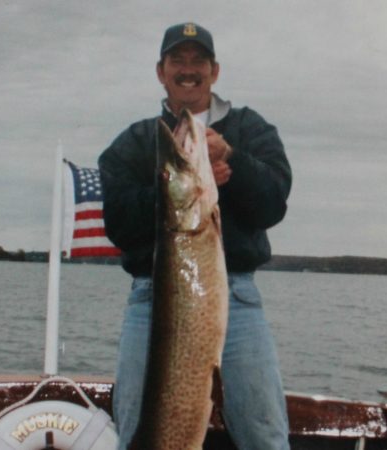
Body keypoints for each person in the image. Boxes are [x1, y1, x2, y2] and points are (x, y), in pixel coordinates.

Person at [98, 22, 292, 450]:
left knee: (265, 432)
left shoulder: (250, 128)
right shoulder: (133, 141)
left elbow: (274, 202)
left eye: (198, 61)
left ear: (214, 71)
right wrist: (176, 185)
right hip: (153, 299)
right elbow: (119, 224)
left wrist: (233, 163)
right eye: (177, 61)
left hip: (236, 297)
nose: (189, 70)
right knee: (137, 426)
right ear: (160, 71)